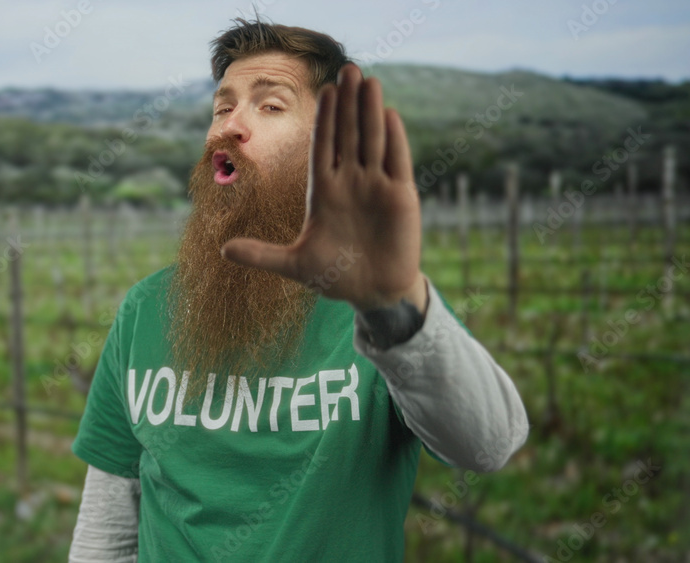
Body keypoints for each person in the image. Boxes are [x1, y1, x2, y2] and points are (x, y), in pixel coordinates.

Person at [67, 18, 529, 562]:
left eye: (270, 106)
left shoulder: (380, 309)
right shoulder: (145, 309)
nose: (229, 127)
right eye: (223, 107)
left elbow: (490, 444)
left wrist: (391, 307)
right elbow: (108, 529)